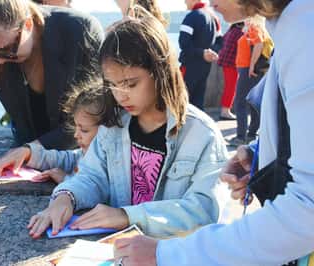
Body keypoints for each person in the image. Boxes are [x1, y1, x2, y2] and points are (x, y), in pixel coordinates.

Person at [114, 0, 314, 265]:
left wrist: (167, 254)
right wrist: (260, 154)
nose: (209, 2)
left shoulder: (305, 31)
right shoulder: (296, 25)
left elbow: (307, 210)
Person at [26, 9, 228, 240]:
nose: (121, 96)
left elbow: (203, 210)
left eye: (130, 84)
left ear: (160, 71)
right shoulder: (114, 126)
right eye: (112, 84)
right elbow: (92, 175)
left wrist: (127, 215)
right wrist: (65, 197)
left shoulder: (203, 135)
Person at [0, 0, 103, 171]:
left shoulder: (79, 31)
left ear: (28, 24)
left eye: (7, 50)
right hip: (26, 154)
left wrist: (31, 150)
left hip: (79, 156)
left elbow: (97, 113)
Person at [0, 78, 117, 183]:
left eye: (84, 130)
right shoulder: (85, 154)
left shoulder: (111, 167)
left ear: (109, 131)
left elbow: (99, 191)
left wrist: (67, 179)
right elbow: (65, 159)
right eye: (76, 127)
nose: (76, 135)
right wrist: (29, 154)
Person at [227, 16, 268, 146]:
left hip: (248, 71)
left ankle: (241, 137)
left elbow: (259, 44)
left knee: (240, 102)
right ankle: (251, 134)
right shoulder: (258, 27)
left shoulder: (253, 26)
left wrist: (251, 65)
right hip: (249, 70)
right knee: (252, 103)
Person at [178, 0, 222, 110]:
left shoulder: (191, 17)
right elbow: (220, 41)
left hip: (189, 66)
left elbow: (183, 43)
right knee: (198, 101)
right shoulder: (213, 18)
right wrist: (210, 53)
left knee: (183, 101)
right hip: (205, 67)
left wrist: (201, 53)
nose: (184, 2)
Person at [217, 22, 244, 120]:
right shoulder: (239, 33)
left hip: (225, 62)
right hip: (231, 64)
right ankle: (225, 111)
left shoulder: (231, 31)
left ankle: (225, 110)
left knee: (229, 87)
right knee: (231, 88)